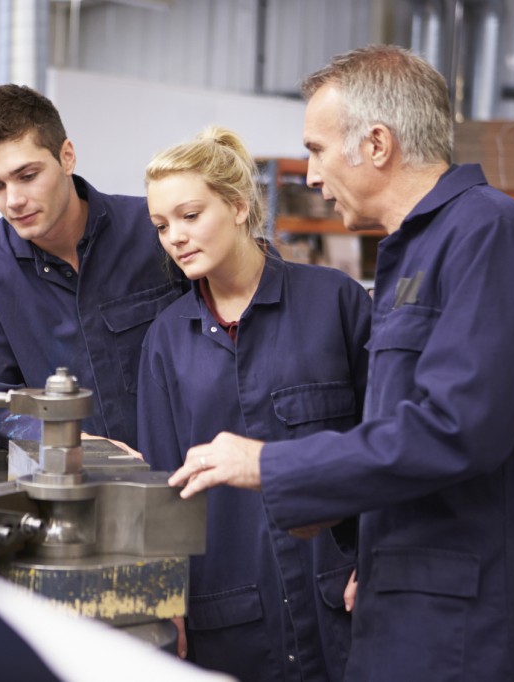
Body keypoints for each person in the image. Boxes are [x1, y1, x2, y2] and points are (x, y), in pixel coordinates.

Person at [168, 45, 514, 681]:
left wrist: (270, 464)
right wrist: (341, 516)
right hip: (409, 612)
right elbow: (401, 436)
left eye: (317, 150)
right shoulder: (414, 252)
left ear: (377, 144)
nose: (311, 176)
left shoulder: (492, 237)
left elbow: (455, 430)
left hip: (476, 633)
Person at [138, 125, 372, 681]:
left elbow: (388, 442)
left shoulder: (334, 303)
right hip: (230, 618)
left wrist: (377, 559)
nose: (175, 237)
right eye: (162, 225)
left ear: (239, 206)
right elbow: (162, 489)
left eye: (190, 215)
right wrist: (164, 603)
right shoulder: (165, 342)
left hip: (341, 602)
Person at [0, 84, 184, 451]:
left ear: (67, 157)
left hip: (184, 469)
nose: (13, 201)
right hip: (65, 476)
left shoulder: (154, 230)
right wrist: (76, 445)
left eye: (28, 176)